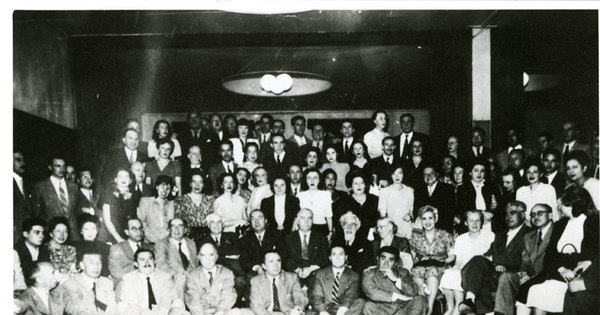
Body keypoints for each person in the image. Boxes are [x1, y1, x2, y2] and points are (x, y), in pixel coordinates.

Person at [514, 186, 598, 315]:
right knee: (527, 289)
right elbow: (550, 255)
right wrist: (562, 269)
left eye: (561, 205)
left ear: (572, 205)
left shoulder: (594, 223)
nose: (558, 208)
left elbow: (593, 255)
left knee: (540, 292)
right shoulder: (560, 225)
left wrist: (580, 268)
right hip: (557, 269)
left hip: (580, 273)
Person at [458, 201, 531, 315]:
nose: (508, 217)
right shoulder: (500, 235)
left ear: (522, 215)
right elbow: (488, 254)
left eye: (512, 213)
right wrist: (494, 263)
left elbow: (525, 259)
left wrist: (499, 263)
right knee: (477, 260)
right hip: (496, 272)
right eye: (506, 214)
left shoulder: (529, 233)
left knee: (496, 278)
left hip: (514, 274)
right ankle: (469, 298)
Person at [439, 210, 494, 315]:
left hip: (483, 271)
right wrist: (456, 267)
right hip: (464, 268)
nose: (474, 224)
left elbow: (492, 257)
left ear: (482, 223)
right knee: (450, 273)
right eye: (471, 221)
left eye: (477, 221)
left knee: (465, 272)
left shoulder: (490, 236)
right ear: (465, 223)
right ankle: (451, 307)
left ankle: (458, 309)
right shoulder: (460, 239)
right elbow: (459, 260)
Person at [410, 206, 455, 315]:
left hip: (439, 265)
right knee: (416, 273)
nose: (427, 222)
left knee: (432, 271)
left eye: (430, 218)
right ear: (421, 221)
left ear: (436, 219)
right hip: (421, 266)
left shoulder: (445, 235)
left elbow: (452, 256)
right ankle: (422, 305)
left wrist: (443, 262)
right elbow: (412, 256)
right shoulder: (416, 237)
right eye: (424, 219)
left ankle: (429, 309)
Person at [509, 203, 554, 315]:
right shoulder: (529, 236)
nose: (536, 217)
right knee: (507, 278)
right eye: (533, 214)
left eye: (540, 213)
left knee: (528, 291)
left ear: (550, 215)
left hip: (550, 276)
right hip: (532, 277)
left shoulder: (557, 232)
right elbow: (525, 261)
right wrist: (524, 273)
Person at [117, 248, 188, 315]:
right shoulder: (129, 279)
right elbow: (132, 304)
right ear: (136, 264)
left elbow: (167, 301)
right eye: (142, 259)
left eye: (150, 259)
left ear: (154, 262)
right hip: (139, 313)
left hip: (161, 312)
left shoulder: (165, 277)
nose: (147, 262)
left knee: (178, 303)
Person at [362, 246, 426, 315]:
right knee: (368, 306)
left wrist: (395, 279)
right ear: (378, 259)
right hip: (383, 309)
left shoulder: (403, 272)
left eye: (390, 260)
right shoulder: (369, 273)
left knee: (420, 299)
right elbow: (372, 293)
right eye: (383, 259)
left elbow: (413, 292)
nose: (386, 263)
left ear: (395, 263)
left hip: (403, 309)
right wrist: (398, 296)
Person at [32, 155, 79, 240]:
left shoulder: (74, 186)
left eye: (64, 166)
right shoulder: (41, 187)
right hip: (51, 236)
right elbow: (37, 215)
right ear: (50, 167)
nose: (62, 169)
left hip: (73, 236)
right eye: (58, 166)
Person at [185, 242, 238, 315]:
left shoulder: (227, 274)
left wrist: (219, 312)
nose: (207, 259)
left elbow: (228, 298)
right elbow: (193, 301)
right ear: (198, 257)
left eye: (211, 255)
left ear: (216, 256)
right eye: (203, 255)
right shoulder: (192, 276)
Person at [61, 248, 119, 314]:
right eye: (91, 263)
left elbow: (113, 308)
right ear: (82, 265)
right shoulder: (71, 284)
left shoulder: (107, 283)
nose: (96, 266)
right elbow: (76, 310)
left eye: (99, 263)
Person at [309, 246, 365, 315]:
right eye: (334, 254)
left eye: (341, 254)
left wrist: (342, 310)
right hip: (325, 308)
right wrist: (323, 311)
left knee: (360, 302)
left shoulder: (354, 275)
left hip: (343, 310)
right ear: (330, 258)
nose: (337, 258)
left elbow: (350, 296)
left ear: (346, 257)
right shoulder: (320, 274)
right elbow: (316, 297)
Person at [249, 251, 309, 315]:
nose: (276, 265)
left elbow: (299, 297)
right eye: (271, 261)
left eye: (278, 261)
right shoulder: (256, 281)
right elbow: (257, 306)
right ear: (264, 266)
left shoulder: (291, 277)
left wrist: (298, 308)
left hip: (287, 313)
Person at [154, 218, 199, 295]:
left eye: (180, 226)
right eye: (173, 226)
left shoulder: (191, 243)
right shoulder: (161, 244)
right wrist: (181, 275)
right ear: (169, 230)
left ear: (185, 230)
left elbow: (196, 264)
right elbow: (161, 265)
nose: (176, 229)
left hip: (194, 282)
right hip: (174, 282)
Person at [283, 209, 329, 282]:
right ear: (297, 220)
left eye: (309, 218)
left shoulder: (321, 238)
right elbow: (285, 259)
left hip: (316, 274)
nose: (306, 221)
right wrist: (298, 270)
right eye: (302, 218)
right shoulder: (288, 238)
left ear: (312, 221)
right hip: (294, 273)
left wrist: (310, 269)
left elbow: (324, 258)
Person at [456, 160, 500, 233]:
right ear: (470, 172)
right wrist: (482, 213)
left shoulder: (493, 187)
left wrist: (494, 209)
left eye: (482, 171)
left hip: (489, 224)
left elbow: (500, 210)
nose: (479, 173)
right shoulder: (462, 188)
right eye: (476, 170)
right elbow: (462, 209)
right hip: (471, 225)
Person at [101, 128, 148, 194]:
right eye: (130, 138)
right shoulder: (113, 155)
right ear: (124, 140)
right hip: (118, 195)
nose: (133, 141)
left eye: (136, 139)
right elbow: (106, 177)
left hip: (138, 195)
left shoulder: (144, 157)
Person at [239, 210, 283, 279]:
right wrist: (257, 267)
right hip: (256, 271)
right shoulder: (245, 239)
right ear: (250, 222)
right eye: (253, 219)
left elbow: (283, 255)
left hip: (275, 268)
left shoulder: (277, 235)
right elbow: (244, 260)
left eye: (260, 218)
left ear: (265, 220)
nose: (256, 221)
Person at [174, 169, 215, 243]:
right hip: (188, 238)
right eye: (194, 182)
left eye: (200, 182)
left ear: (204, 184)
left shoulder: (210, 199)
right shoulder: (181, 200)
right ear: (190, 183)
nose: (197, 185)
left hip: (207, 237)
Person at [101, 168, 140, 244]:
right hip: (113, 235)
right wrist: (118, 238)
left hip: (132, 236)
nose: (123, 179)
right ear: (115, 180)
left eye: (126, 176)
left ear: (130, 180)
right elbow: (107, 221)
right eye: (120, 176)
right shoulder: (109, 195)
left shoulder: (136, 196)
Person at [414, 165, 456, 234]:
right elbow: (416, 211)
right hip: (424, 231)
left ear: (437, 174)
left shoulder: (448, 189)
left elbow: (450, 212)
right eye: (425, 174)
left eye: (431, 173)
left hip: (443, 230)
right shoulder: (418, 191)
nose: (428, 176)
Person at [378, 165, 414, 239]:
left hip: (406, 228)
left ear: (403, 174)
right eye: (394, 173)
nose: (397, 176)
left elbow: (411, 210)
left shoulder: (409, 190)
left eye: (399, 173)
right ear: (391, 175)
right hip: (391, 229)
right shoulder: (384, 191)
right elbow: (383, 215)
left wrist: (409, 216)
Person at [138, 175, 176, 243]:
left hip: (167, 241)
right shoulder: (145, 201)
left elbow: (172, 226)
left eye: (168, 189)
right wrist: (153, 238)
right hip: (149, 241)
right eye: (162, 187)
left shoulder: (172, 204)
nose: (164, 191)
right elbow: (141, 222)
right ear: (157, 187)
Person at [297, 169, 333, 237]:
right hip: (305, 228)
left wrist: (330, 232)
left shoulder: (326, 194)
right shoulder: (300, 195)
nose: (312, 181)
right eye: (309, 178)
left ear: (319, 180)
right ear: (305, 180)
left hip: (321, 228)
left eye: (315, 178)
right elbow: (297, 217)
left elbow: (329, 216)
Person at [342, 171, 379, 236]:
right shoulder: (344, 202)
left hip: (373, 237)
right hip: (352, 237)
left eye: (361, 183)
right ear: (351, 186)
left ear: (365, 185)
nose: (359, 186)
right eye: (355, 183)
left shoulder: (375, 200)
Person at [14, 150, 33, 243]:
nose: (22, 163)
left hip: (26, 235)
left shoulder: (27, 183)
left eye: (23, 160)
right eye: (18, 160)